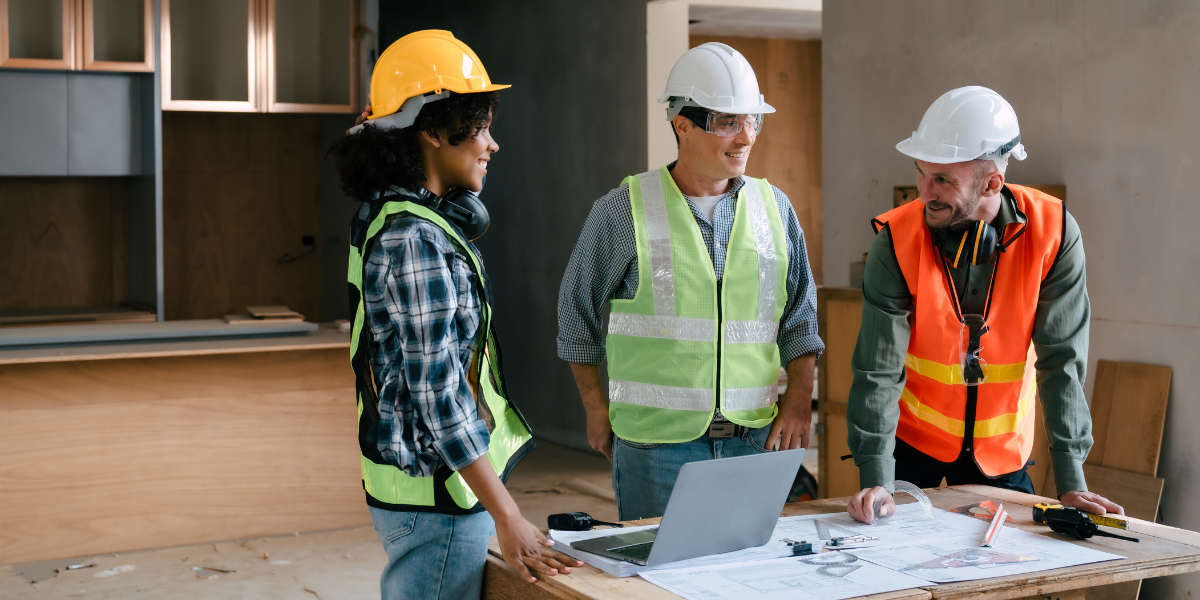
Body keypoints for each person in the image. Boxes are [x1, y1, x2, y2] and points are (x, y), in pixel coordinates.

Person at [329, 30, 579, 599]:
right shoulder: (416, 240)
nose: (493, 144)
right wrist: (508, 515)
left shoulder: (391, 215)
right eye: (480, 127)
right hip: (437, 502)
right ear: (435, 130)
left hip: (425, 493)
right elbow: (438, 394)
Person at [558, 42, 823, 521]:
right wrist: (596, 409)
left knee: (748, 567)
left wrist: (800, 400)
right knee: (661, 569)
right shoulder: (622, 210)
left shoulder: (775, 208)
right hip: (657, 450)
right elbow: (576, 315)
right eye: (727, 122)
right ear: (682, 124)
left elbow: (799, 316)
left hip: (753, 441)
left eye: (752, 120)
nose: (746, 137)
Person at [844, 86, 1123, 523]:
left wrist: (1071, 482)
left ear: (993, 182)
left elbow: (1062, 362)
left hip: (1002, 457)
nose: (925, 193)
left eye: (943, 180)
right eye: (921, 173)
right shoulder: (895, 241)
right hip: (911, 450)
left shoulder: (1053, 235)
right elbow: (877, 371)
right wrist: (876, 476)